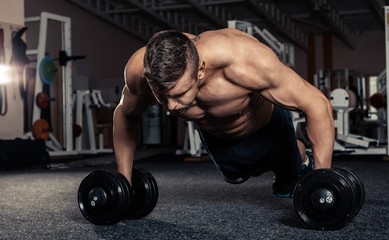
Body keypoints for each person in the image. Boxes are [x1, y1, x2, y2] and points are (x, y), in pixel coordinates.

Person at [113, 28, 335, 197]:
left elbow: (317, 104)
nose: (171, 107)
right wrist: (124, 181)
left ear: (200, 70)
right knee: (235, 176)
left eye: (180, 94)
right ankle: (286, 156)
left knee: (287, 183)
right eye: (162, 96)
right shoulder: (139, 71)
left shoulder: (242, 59)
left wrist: (323, 180)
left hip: (268, 125)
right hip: (218, 136)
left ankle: (296, 155)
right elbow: (125, 114)